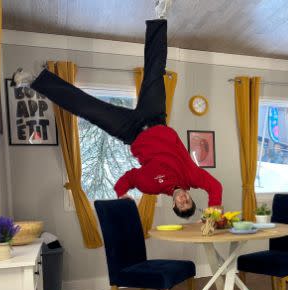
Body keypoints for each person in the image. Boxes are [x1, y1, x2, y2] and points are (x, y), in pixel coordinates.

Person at [24, 8, 221, 219]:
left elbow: (128, 179)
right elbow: (215, 187)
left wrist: (122, 194)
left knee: (89, 109)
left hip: (131, 131)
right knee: (154, 73)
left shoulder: (151, 187)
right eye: (188, 201)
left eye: (180, 205)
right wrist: (214, 209)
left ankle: (35, 81)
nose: (183, 200)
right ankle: (160, 16)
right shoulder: (191, 177)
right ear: (190, 196)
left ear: (173, 205)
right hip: (155, 117)